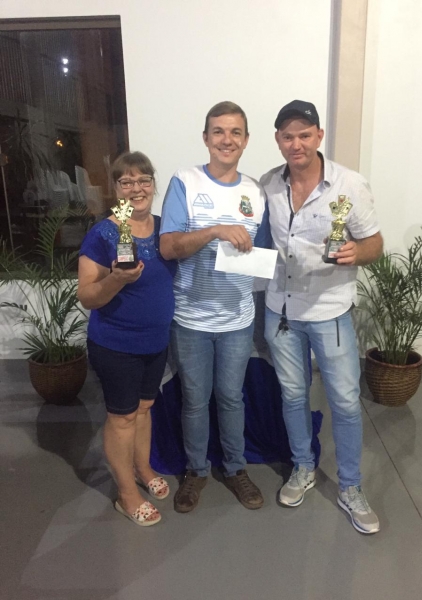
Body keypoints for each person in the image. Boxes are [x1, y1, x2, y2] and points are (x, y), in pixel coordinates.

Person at [261, 100, 383, 534]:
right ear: (278, 140)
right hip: (281, 311)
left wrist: (356, 252)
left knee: (346, 402)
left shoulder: (349, 183)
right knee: (293, 395)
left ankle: (350, 487)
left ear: (319, 136)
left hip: (330, 312)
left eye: (304, 135)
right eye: (288, 136)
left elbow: (375, 244)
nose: (296, 143)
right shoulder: (267, 184)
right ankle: (303, 467)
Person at [160, 101, 270, 513]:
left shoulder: (255, 191)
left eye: (235, 132)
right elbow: (168, 246)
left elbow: (265, 254)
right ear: (206, 138)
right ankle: (197, 470)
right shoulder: (185, 181)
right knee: (194, 399)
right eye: (219, 131)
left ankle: (236, 468)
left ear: (246, 140)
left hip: (238, 318)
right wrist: (215, 231)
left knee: (231, 398)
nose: (227, 139)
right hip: (190, 318)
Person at [77, 151, 176, 526]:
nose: (137, 188)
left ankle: (143, 468)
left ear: (153, 184)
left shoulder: (165, 229)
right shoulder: (103, 234)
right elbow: (87, 296)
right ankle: (126, 493)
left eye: (143, 180)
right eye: (127, 181)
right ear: (116, 189)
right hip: (116, 345)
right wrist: (117, 279)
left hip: (156, 341)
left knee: (144, 409)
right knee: (122, 419)